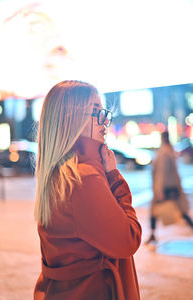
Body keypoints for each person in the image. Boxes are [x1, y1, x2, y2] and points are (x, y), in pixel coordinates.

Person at [34, 80, 142, 300]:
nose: (104, 121)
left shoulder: (60, 174)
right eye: (95, 112)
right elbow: (129, 239)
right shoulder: (82, 179)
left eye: (103, 112)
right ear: (70, 119)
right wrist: (114, 177)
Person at [146, 131, 193, 244]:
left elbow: (161, 173)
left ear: (162, 138)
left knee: (157, 211)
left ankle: (152, 234)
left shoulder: (163, 153)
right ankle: (152, 234)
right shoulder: (170, 150)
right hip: (171, 187)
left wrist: (159, 191)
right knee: (179, 211)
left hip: (164, 188)